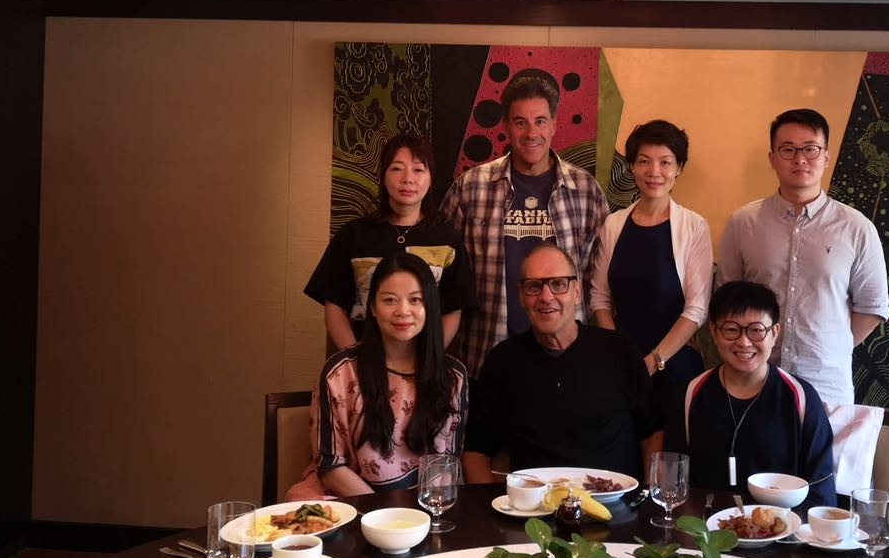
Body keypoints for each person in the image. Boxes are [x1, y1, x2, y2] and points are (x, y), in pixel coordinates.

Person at [439, 72, 609, 381]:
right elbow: (441, 270)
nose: (532, 133)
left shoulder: (586, 191)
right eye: (520, 122)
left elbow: (599, 280)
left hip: (567, 359)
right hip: (486, 355)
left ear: (554, 124)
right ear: (506, 125)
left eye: (540, 121)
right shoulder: (470, 188)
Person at [717, 108, 889, 407]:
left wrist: (828, 347)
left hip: (826, 385)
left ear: (826, 156)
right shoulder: (742, 223)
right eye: (788, 150)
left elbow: (871, 307)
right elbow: (727, 301)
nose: (800, 159)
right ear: (772, 158)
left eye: (810, 149)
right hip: (754, 379)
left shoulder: (856, 228)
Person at [462, 244, 662, 483]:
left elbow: (653, 433)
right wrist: (491, 504)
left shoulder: (620, 350)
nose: (546, 297)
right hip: (534, 504)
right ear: (521, 296)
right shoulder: (502, 361)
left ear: (577, 292)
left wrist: (650, 496)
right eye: (534, 286)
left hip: (614, 501)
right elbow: (475, 452)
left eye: (558, 284)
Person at [300, 252, 468, 496]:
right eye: (390, 300)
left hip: (425, 506)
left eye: (415, 300)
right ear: (372, 308)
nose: (403, 311)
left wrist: (417, 513)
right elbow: (330, 465)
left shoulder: (453, 376)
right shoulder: (340, 372)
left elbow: (447, 463)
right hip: (354, 504)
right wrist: (385, 513)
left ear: (430, 307)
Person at [665, 281, 836, 510]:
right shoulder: (690, 394)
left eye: (756, 330)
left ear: (774, 333)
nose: (744, 342)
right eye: (731, 329)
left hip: (783, 527)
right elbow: (674, 483)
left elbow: (820, 492)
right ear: (714, 332)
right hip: (704, 527)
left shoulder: (801, 398)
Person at [304, 133, 476, 350]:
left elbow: (453, 309)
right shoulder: (354, 235)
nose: (408, 179)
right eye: (396, 168)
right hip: (363, 355)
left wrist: (430, 358)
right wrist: (355, 360)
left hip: (424, 360)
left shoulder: (446, 238)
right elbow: (335, 307)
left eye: (418, 170)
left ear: (430, 179)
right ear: (383, 177)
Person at [588, 119, 711, 399]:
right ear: (632, 166)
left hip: (675, 364)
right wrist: (618, 355)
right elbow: (599, 298)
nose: (654, 172)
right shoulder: (613, 224)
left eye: (665, 162)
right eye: (644, 161)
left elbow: (696, 309)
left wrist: (653, 361)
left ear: (679, 168)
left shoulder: (694, 227)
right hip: (621, 366)